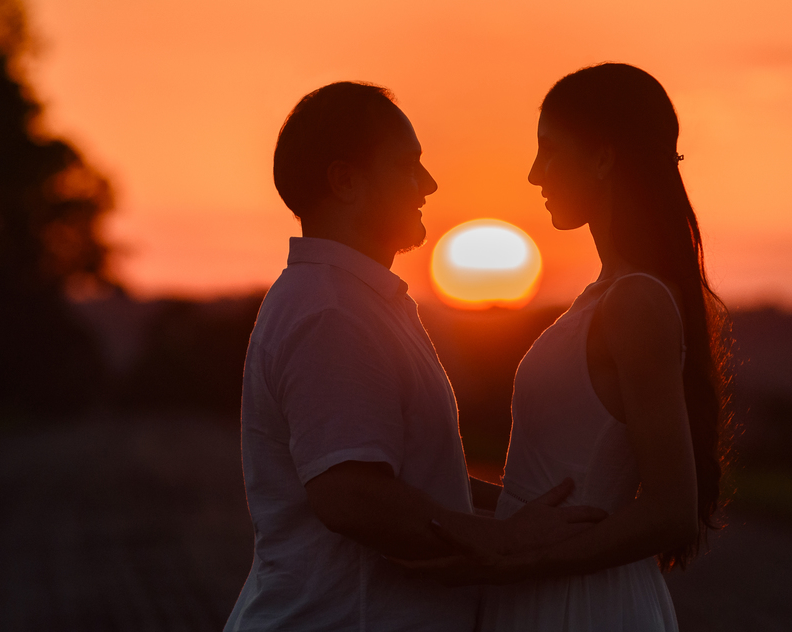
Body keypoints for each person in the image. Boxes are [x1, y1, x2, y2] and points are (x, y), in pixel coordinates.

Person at [222, 81, 605, 632]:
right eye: (407, 166)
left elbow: (409, 480)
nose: (427, 184)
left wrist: (517, 508)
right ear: (346, 181)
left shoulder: (356, 302)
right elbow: (351, 497)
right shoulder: (333, 313)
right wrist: (503, 539)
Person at [401, 64, 730, 631]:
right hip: (546, 598)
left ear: (603, 158)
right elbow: (549, 487)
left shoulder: (636, 304)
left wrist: (516, 564)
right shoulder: (604, 298)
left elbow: (672, 511)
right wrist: (427, 494)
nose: (533, 174)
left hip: (583, 607)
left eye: (549, 151)